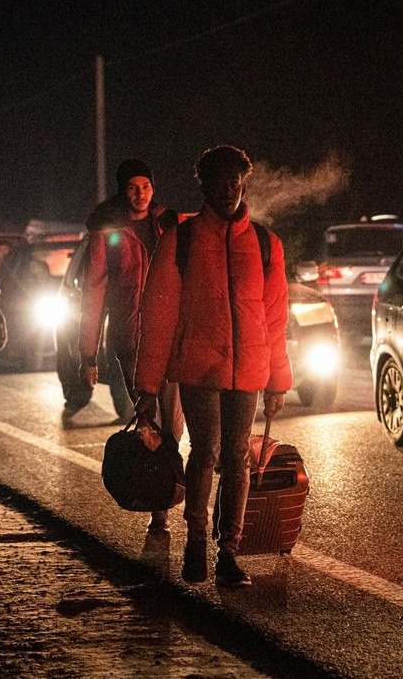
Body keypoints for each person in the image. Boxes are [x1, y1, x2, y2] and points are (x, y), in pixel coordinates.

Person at [134, 144, 292, 588]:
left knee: (238, 459)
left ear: (244, 183)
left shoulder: (265, 243)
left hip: (249, 370)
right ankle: (196, 542)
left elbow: (274, 317)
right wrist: (147, 384)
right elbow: (158, 314)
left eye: (235, 181)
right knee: (204, 454)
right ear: (203, 184)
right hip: (199, 368)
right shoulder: (180, 239)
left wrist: (279, 378)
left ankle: (229, 552)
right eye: (219, 181)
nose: (228, 189)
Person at [79, 158, 185, 533]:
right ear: (122, 191)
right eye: (132, 187)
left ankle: (170, 490)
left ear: (153, 189)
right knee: (149, 418)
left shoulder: (169, 224)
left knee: (173, 424)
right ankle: (161, 507)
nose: (140, 194)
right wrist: (88, 353)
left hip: (171, 334)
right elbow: (93, 292)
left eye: (146, 186)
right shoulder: (107, 230)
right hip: (130, 339)